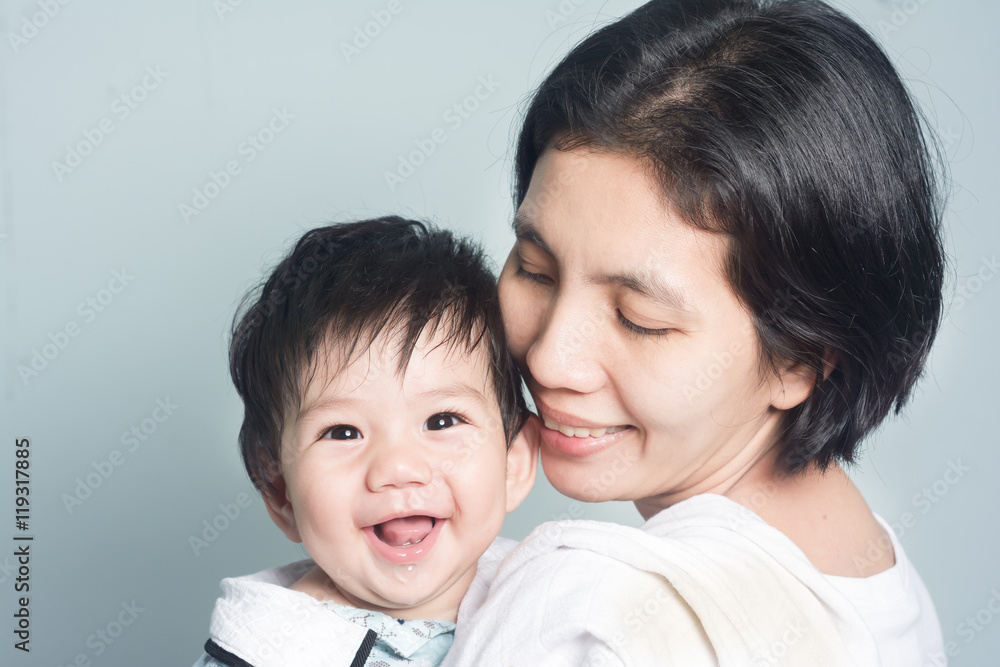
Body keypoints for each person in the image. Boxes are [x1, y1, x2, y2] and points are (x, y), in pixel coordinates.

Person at [444, 0, 946, 665]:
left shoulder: (588, 616)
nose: (549, 356)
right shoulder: (874, 581)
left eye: (639, 319)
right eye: (534, 269)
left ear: (798, 357)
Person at [192, 217, 538, 667]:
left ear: (513, 461)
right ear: (280, 492)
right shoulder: (265, 651)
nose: (398, 468)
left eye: (441, 420)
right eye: (342, 432)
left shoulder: (558, 599)